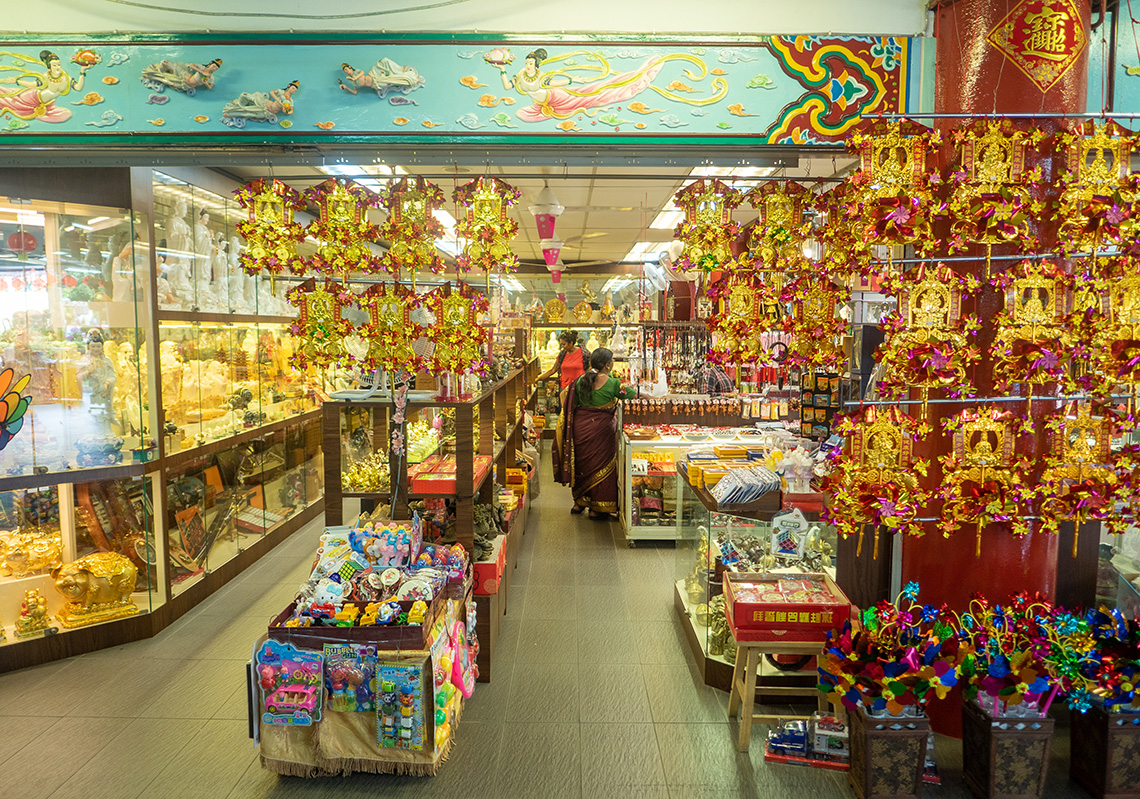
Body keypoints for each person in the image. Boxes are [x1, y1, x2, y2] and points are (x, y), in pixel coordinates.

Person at [554, 347, 635, 519]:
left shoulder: (579, 381)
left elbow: (566, 400)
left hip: (580, 429)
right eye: (611, 360)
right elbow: (631, 395)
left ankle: (579, 503)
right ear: (607, 365)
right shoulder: (614, 383)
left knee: (582, 466)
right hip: (601, 432)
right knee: (602, 466)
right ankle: (597, 508)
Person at [0, 50, 90, 123]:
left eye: (59, 65)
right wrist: (16, 81)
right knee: (7, 99)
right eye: (54, 65)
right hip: (32, 97)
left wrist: (82, 71)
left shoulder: (66, 77)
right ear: (49, 67)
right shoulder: (45, 77)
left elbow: (78, 88)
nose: (58, 67)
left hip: (47, 104)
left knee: (66, 114)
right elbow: (32, 85)